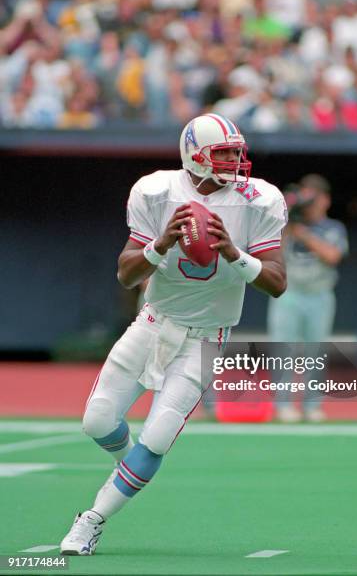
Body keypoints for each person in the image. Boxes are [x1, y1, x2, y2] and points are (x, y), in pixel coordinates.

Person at [59, 113, 287, 555]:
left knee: (158, 437)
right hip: (153, 322)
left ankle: (91, 519)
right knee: (97, 421)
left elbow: (276, 282)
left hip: (207, 335)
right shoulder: (156, 190)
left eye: (237, 152)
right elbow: (126, 275)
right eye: (223, 153)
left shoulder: (259, 199)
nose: (235, 161)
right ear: (194, 154)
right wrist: (161, 244)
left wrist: (234, 253)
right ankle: (133, 471)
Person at [267, 174, 348, 423]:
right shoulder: (288, 225)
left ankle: (312, 405)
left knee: (316, 351)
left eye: (313, 198)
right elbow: (272, 255)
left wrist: (303, 234)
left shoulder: (333, 228)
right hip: (289, 293)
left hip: (319, 296)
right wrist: (287, 219)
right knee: (283, 349)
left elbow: (332, 256)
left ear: (324, 200)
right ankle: (282, 405)